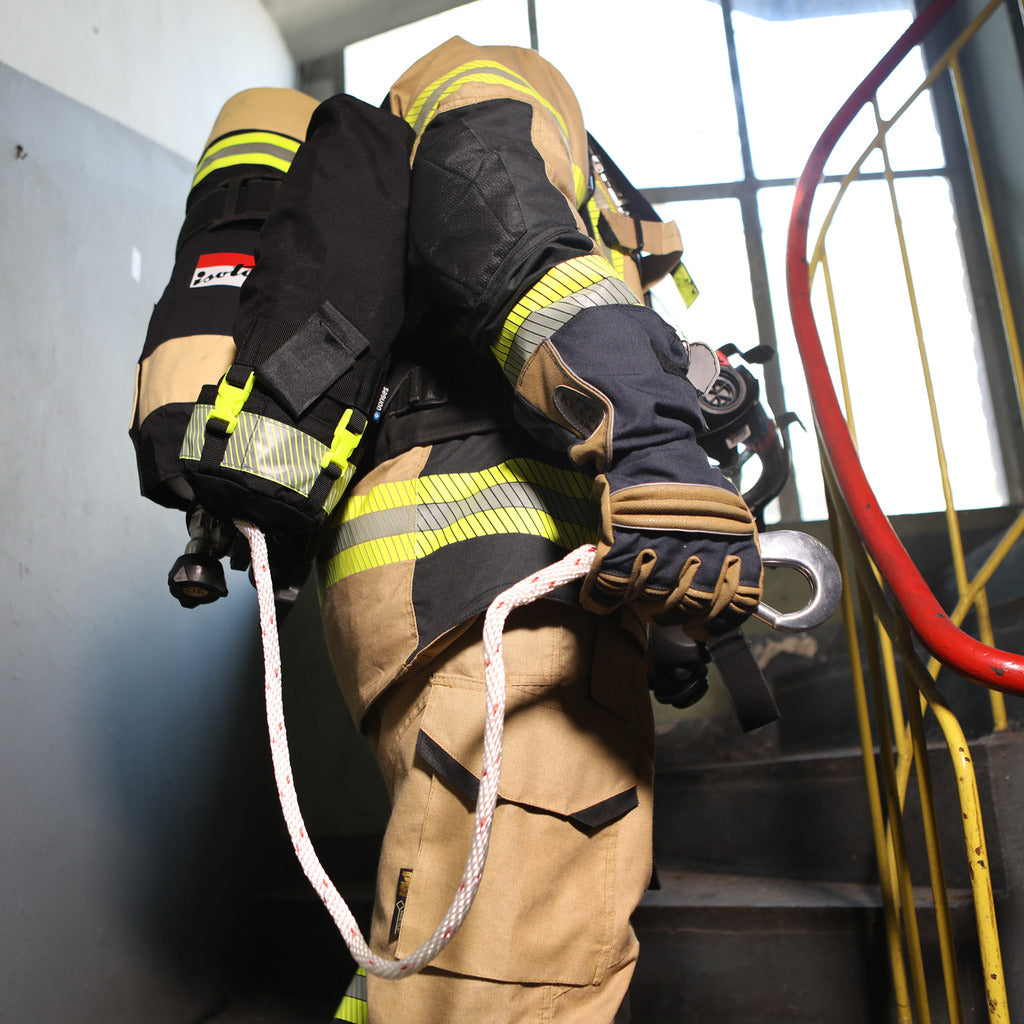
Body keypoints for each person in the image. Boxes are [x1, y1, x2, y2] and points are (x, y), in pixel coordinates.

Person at [131, 36, 762, 1024]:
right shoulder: (500, 81)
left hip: (440, 579)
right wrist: (651, 430)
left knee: (439, 957)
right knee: (509, 988)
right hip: (498, 573)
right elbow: (501, 221)